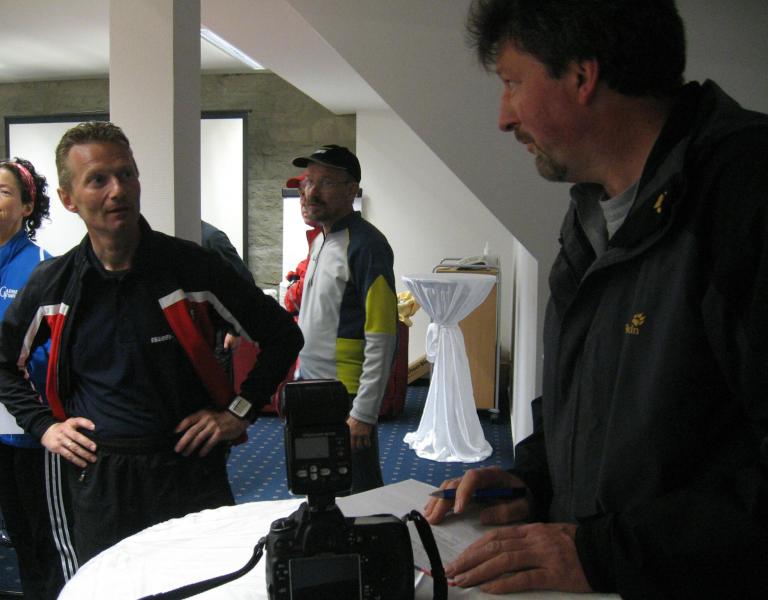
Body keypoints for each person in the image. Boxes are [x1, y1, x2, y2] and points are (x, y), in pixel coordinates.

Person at [424, 1, 768, 598]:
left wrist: (606, 553)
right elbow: (591, 396)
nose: (503, 117)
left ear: (582, 76)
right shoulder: (593, 212)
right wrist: (536, 480)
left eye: (512, 83)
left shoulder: (746, 192)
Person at [0, 121, 303, 565]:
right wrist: (43, 426)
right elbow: (0, 363)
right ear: (68, 199)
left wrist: (239, 412)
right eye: (98, 179)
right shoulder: (54, 283)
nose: (118, 190)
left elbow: (283, 336)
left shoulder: (193, 268)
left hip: (189, 471)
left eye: (126, 174)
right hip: (99, 480)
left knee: (202, 585)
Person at [0, 158, 75, 599]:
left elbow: (61, 348)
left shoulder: (45, 267)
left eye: (4, 191)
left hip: (34, 428)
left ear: (27, 206)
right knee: (21, 538)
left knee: (50, 540)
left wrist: (1, 354)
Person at [291, 145, 397, 493]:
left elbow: (383, 334)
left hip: (346, 395)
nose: (311, 192)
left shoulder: (367, 245)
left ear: (351, 190)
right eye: (308, 181)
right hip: (311, 386)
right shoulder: (321, 239)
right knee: (319, 487)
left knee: (360, 497)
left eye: (325, 183)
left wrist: (364, 412)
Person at [200, 220, 254, 381]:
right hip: (195, 333)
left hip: (217, 336)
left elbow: (244, 282)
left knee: (218, 390)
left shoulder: (211, 238)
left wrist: (234, 330)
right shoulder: (180, 239)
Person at [282, 172, 321, 317]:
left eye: (309, 193)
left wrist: (293, 288)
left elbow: (296, 300)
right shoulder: (318, 239)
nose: (303, 201)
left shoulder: (331, 240)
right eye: (301, 194)